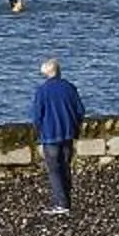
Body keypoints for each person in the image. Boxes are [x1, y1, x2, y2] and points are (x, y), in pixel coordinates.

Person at [31, 59, 86, 214]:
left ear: (45, 74)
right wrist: (75, 128)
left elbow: (36, 116)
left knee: (54, 170)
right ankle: (65, 201)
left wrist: (39, 133)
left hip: (50, 135)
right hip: (68, 134)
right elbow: (80, 111)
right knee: (65, 167)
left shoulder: (42, 91)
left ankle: (61, 204)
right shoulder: (70, 88)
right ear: (59, 71)